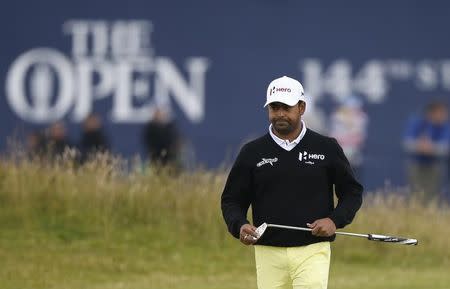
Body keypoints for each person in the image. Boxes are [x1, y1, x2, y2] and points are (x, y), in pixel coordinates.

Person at [221, 76, 363, 289]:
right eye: (274, 107)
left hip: (312, 249)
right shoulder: (252, 152)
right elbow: (232, 200)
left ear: (301, 107)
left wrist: (334, 221)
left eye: (286, 107)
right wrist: (239, 225)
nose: (279, 114)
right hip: (268, 251)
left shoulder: (326, 147)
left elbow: (352, 192)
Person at [403, 101, 449, 201]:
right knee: (415, 194)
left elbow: (445, 147)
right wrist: (419, 146)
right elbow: (407, 143)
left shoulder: (444, 126)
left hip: (434, 166)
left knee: (432, 195)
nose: (444, 116)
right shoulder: (417, 122)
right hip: (416, 165)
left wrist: (431, 148)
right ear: (431, 113)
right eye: (441, 113)